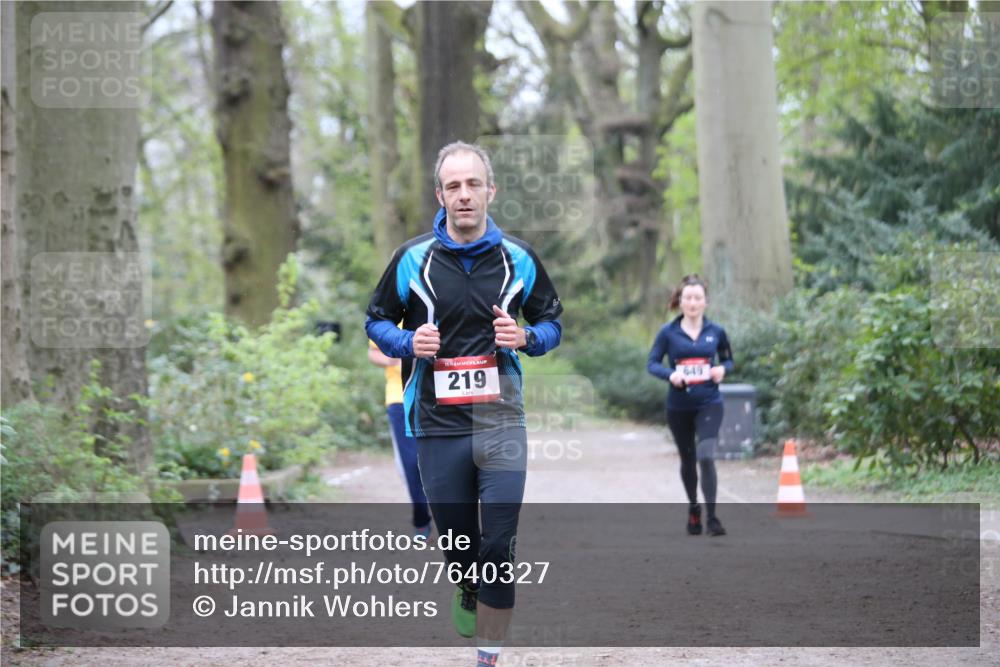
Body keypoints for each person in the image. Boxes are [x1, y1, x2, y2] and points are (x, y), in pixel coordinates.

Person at [365, 141, 563, 666]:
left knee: (498, 543)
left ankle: (488, 655)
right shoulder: (411, 260)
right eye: (453, 186)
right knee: (460, 547)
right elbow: (376, 320)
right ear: (440, 195)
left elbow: (552, 323)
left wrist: (526, 339)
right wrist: (408, 344)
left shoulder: (518, 258)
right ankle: (466, 584)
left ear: (491, 190)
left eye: (473, 183)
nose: (464, 194)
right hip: (436, 423)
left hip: (501, 420)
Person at [647, 274, 733, 537]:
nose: (693, 303)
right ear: (680, 301)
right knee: (688, 459)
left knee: (706, 456)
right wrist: (671, 375)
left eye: (698, 298)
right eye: (688, 298)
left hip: (710, 403)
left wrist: (721, 370)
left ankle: (713, 517)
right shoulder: (668, 332)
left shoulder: (716, 332)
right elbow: (652, 363)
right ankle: (693, 507)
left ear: (705, 302)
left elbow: (729, 361)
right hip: (679, 407)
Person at [367, 338, 432, 538]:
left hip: (439, 395)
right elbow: (373, 352)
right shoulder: (392, 313)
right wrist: (393, 359)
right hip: (400, 397)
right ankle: (421, 519)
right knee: (411, 463)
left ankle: (457, 518)